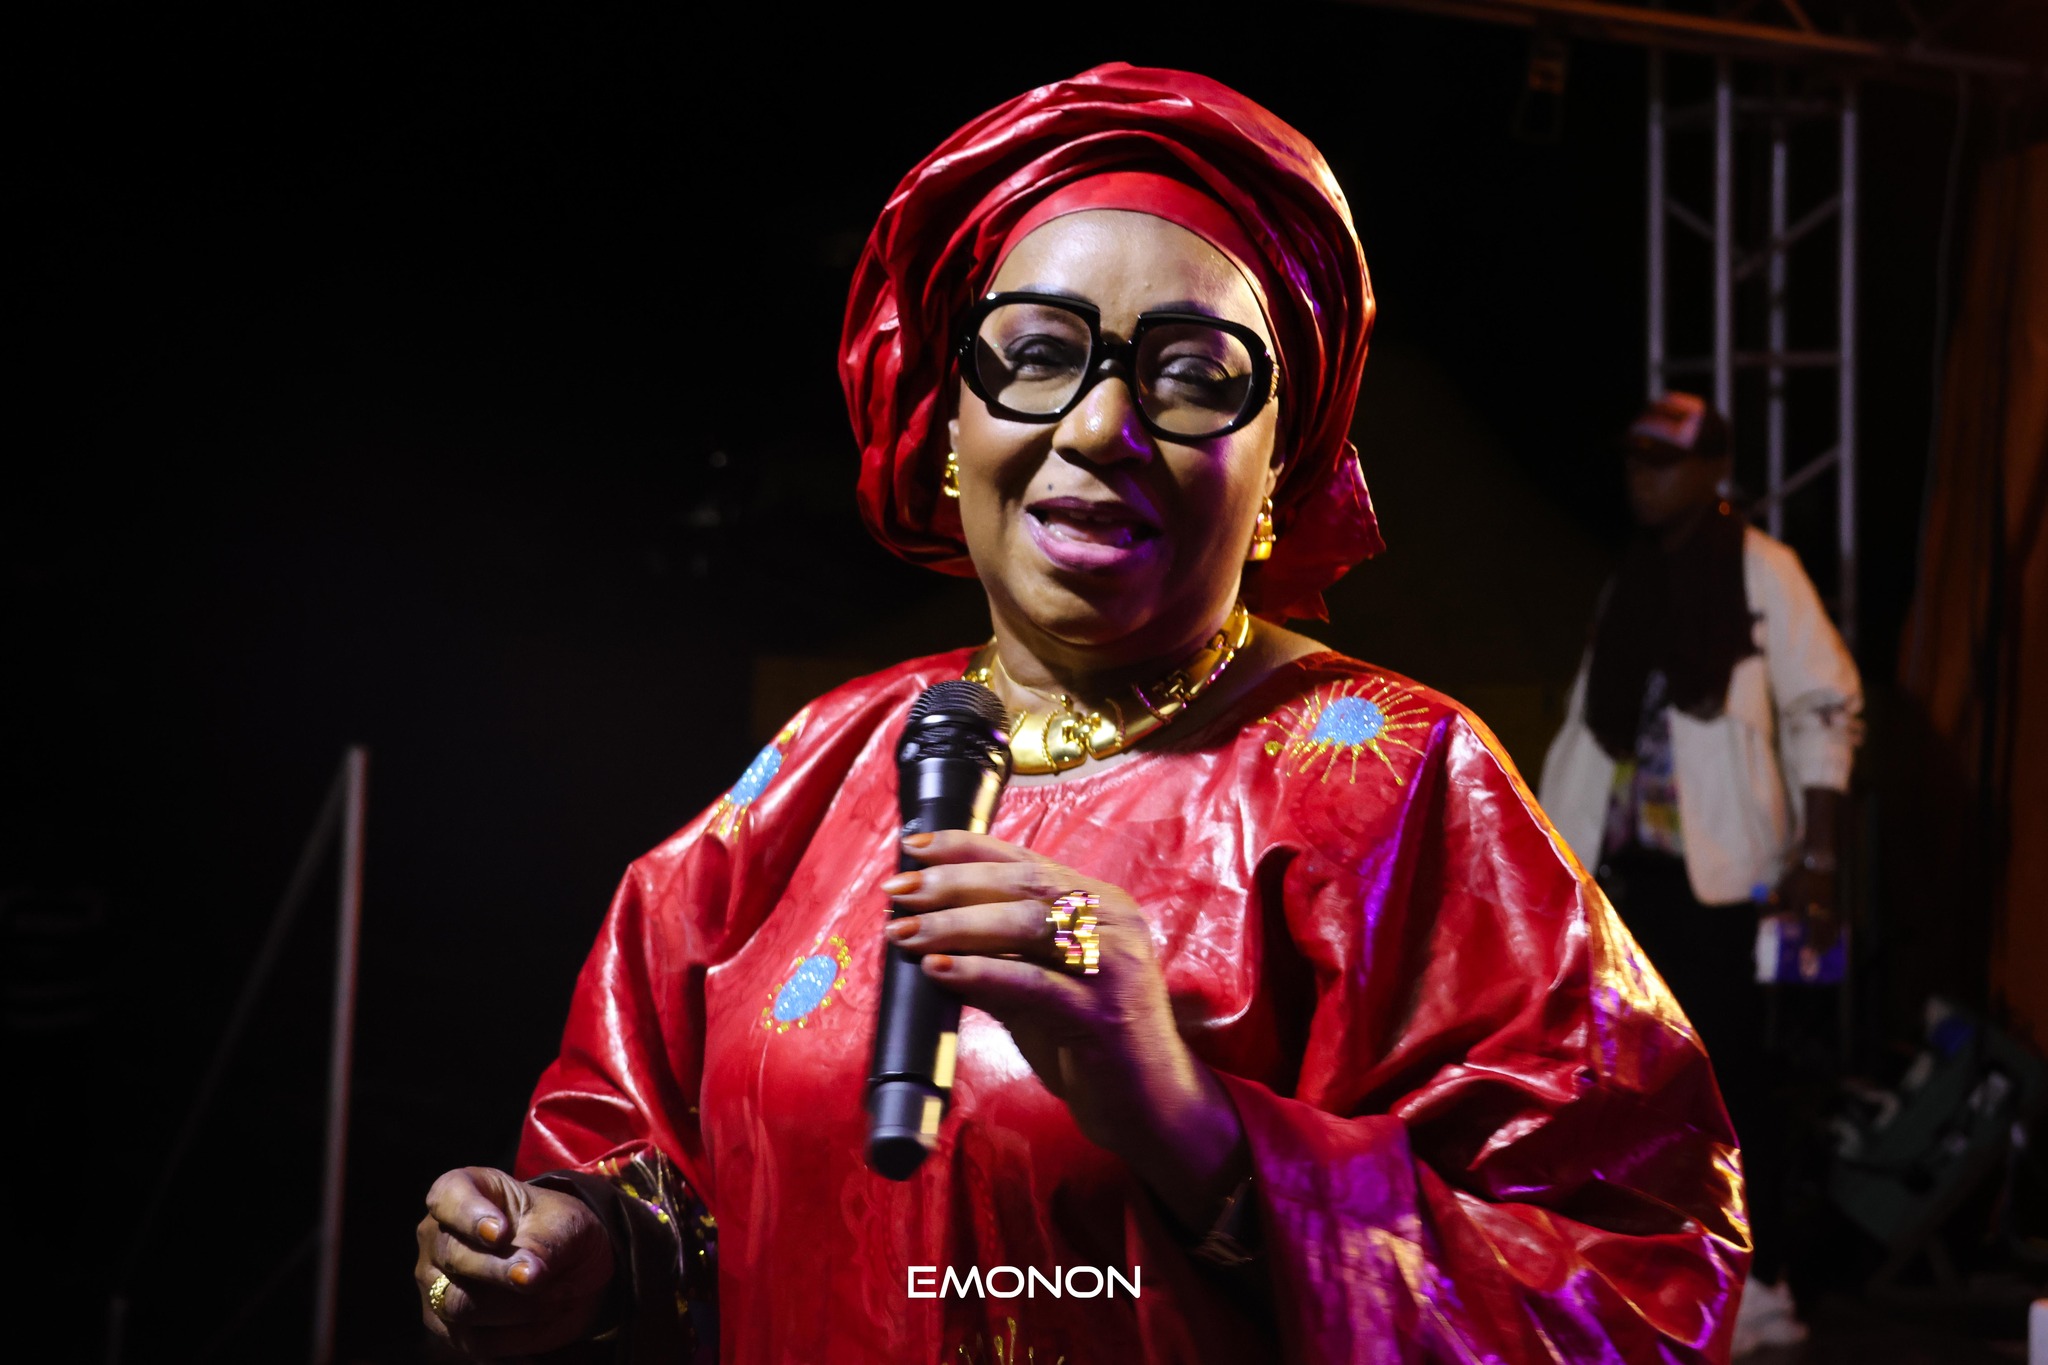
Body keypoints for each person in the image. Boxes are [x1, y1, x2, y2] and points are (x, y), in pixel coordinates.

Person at [412, 66, 1749, 1364]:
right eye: (1040, 355)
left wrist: (1192, 1126)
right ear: (949, 425)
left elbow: (1627, 1281)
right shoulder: (823, 764)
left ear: (1281, 462)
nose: (1103, 423)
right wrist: (586, 1247)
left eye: (1192, 374)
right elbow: (677, 1168)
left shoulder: (1401, 787)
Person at [1538, 392, 1864, 1355]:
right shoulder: (1633, 577)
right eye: (1634, 458)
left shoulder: (1763, 570)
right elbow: (1593, 725)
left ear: (1713, 470)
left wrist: (1819, 855)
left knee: (1733, 1086)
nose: (1642, 477)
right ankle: (1661, 1268)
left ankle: (1759, 1280)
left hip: (1723, 881)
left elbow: (1827, 705)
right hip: (1628, 874)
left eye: (1663, 460)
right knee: (1631, 1083)